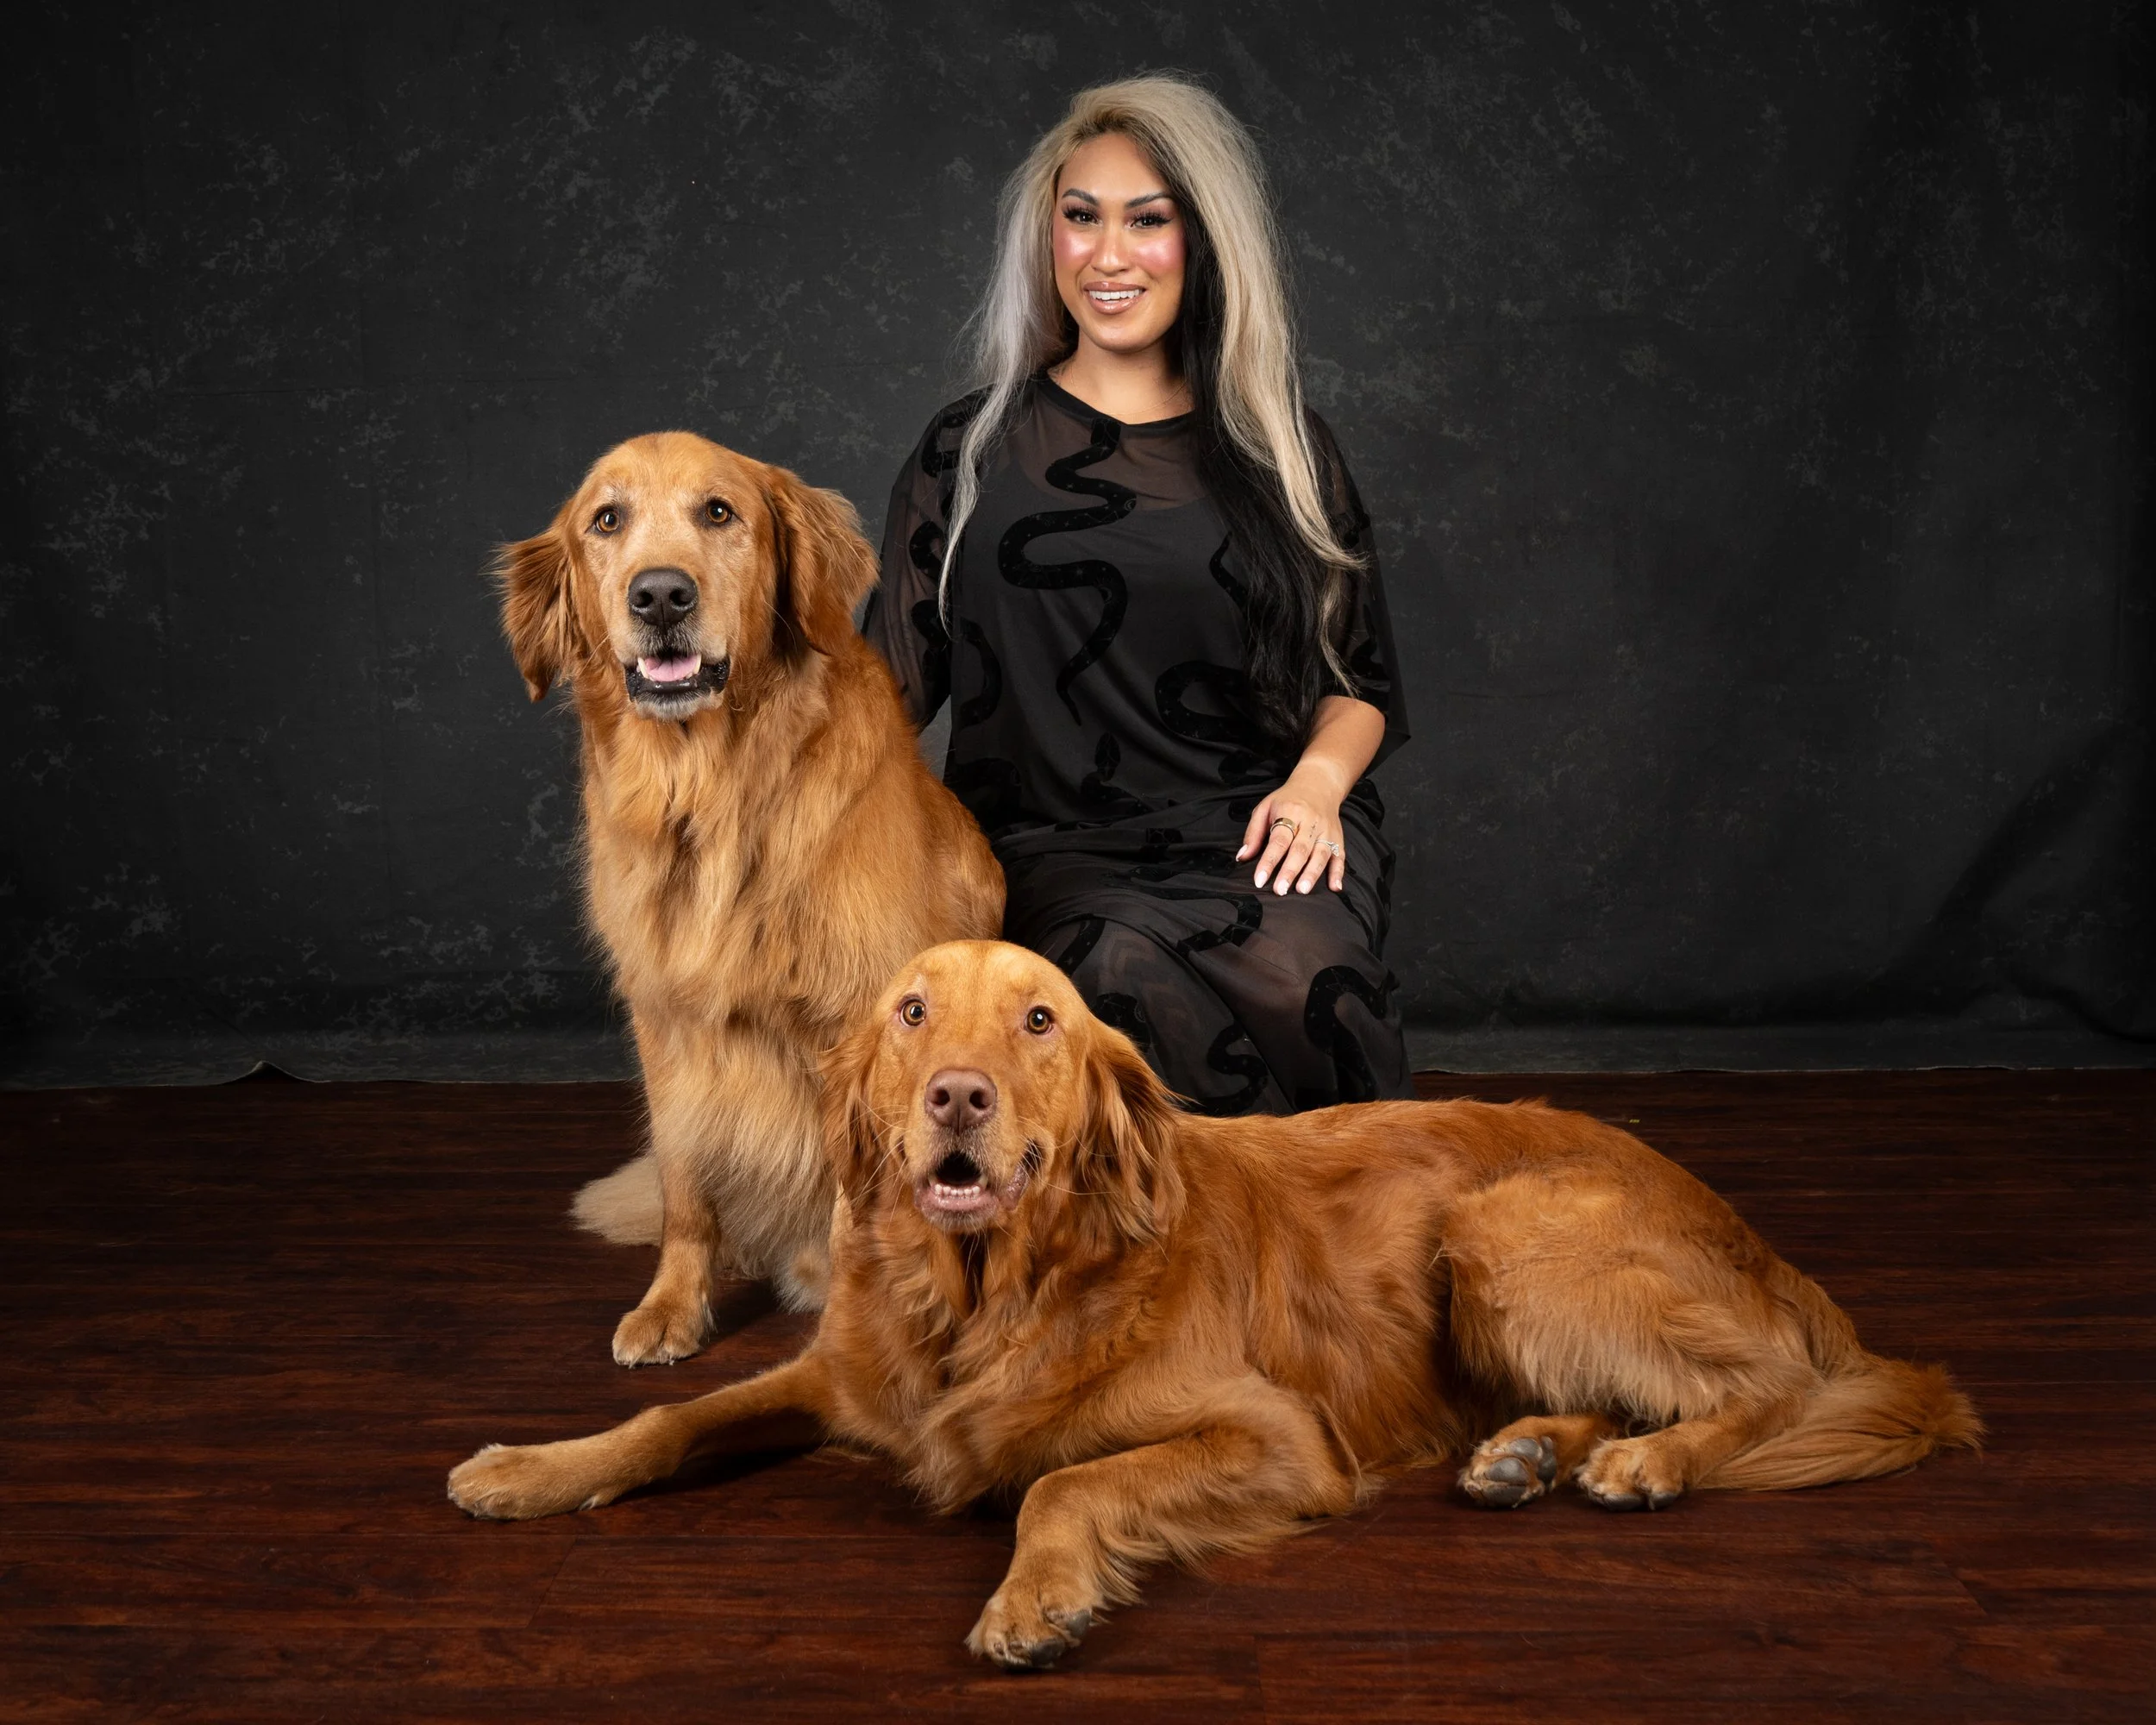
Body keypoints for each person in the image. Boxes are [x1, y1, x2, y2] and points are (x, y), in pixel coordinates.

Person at [864, 74, 1411, 1114]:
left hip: (1257, 824)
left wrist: (1314, 789)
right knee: (1108, 975)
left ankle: (1316, 1254)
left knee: (1311, 984)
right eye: (1081, 218)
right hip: (1039, 844)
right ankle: (1146, 1267)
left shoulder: (1280, 449)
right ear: (1049, 237)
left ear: (1201, 243)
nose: (1108, 255)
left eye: (1146, 221)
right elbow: (878, 690)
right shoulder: (966, 448)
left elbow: (1359, 680)